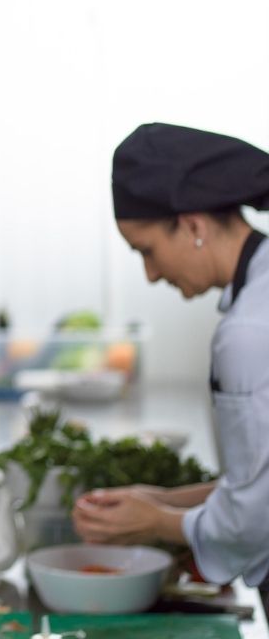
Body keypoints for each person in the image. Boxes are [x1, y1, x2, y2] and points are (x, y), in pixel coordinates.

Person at [73, 122, 269, 591]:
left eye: (148, 250)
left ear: (193, 225)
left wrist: (158, 522)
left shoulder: (248, 330)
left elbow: (256, 515)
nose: (151, 273)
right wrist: (166, 499)